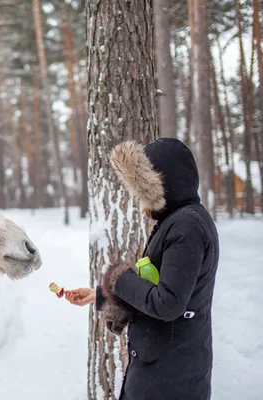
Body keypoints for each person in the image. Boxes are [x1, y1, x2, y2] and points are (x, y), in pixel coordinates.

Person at [65, 138, 219, 400]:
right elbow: (160, 288)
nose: (138, 197)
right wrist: (99, 295)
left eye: (142, 187)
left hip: (171, 377)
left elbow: (168, 303)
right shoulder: (179, 220)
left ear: (163, 183)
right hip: (165, 366)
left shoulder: (186, 226)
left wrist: (119, 279)